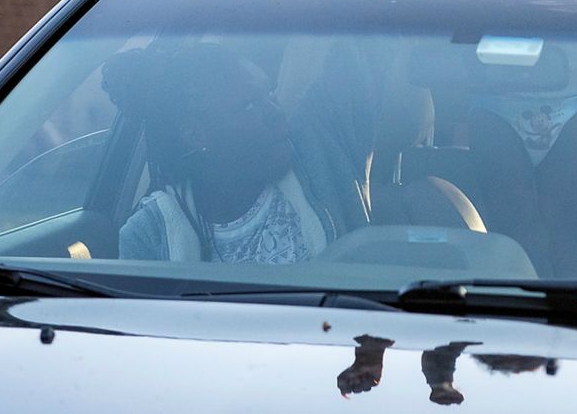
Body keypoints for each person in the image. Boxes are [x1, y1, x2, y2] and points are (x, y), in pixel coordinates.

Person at [109, 42, 379, 263]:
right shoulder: (147, 235)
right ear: (196, 135)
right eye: (249, 106)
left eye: (270, 93)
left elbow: (351, 63)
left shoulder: (318, 153)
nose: (275, 113)